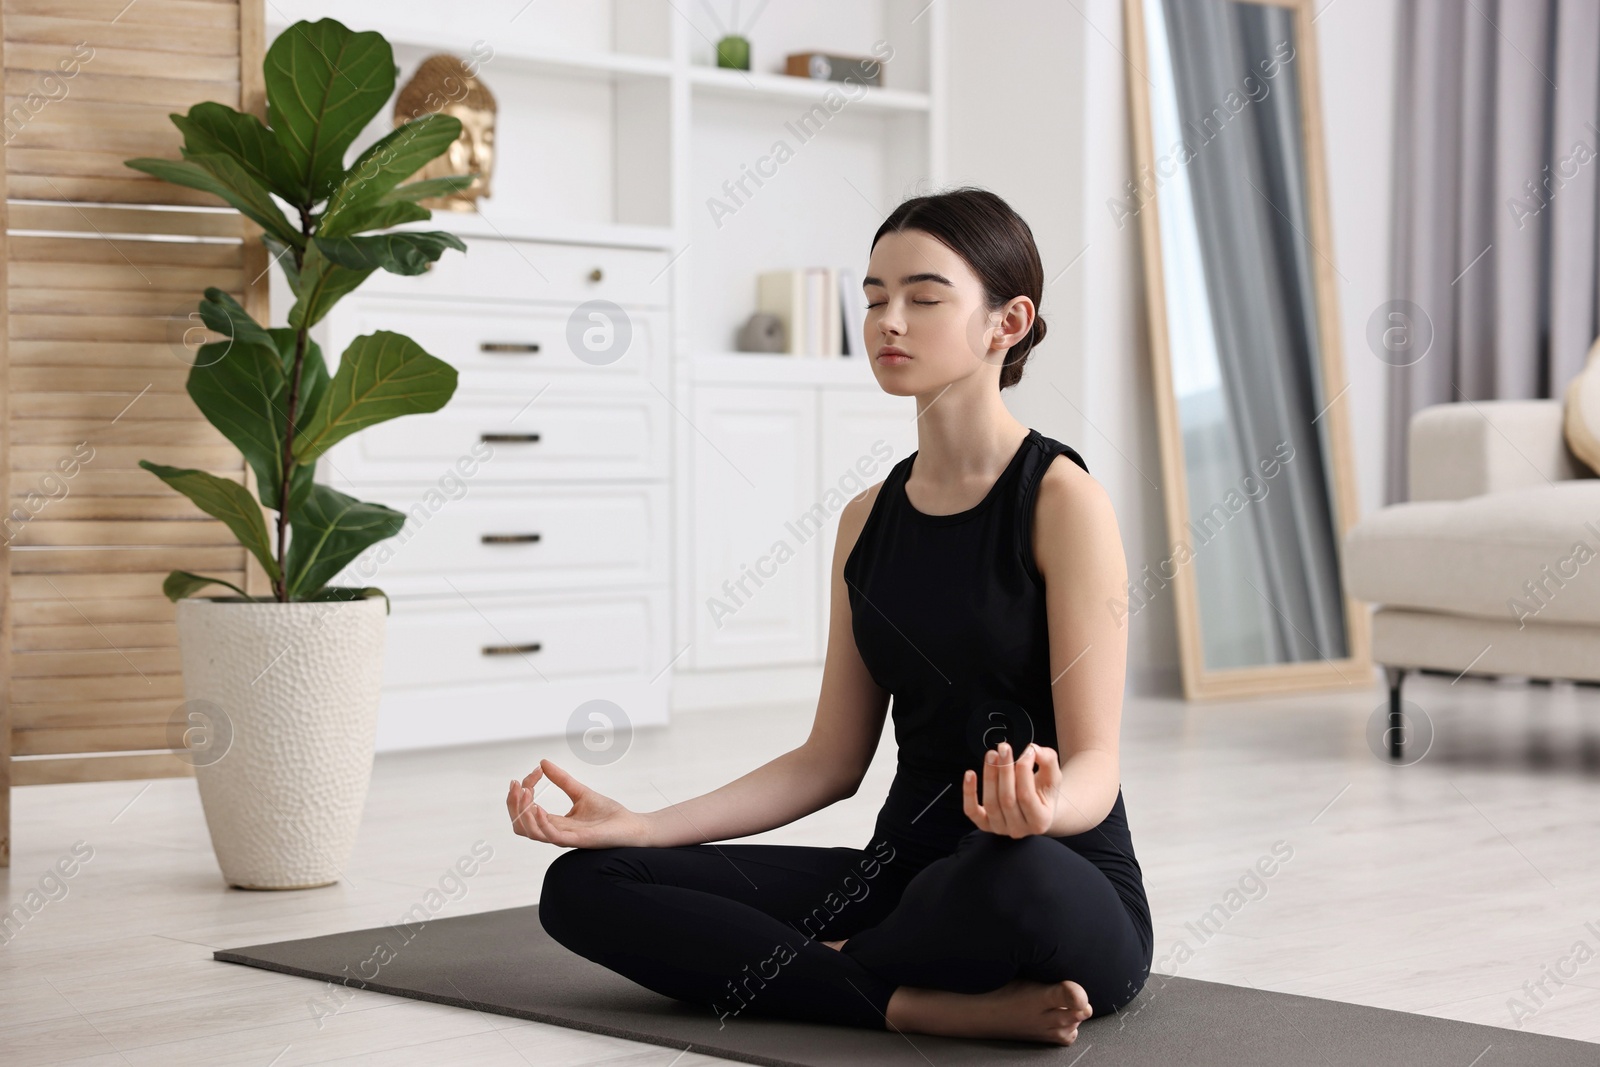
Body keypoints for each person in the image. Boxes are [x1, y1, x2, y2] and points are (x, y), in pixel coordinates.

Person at [508, 187, 1153, 1047]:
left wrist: (1044, 808)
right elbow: (829, 760)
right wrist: (645, 825)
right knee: (587, 884)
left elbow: (1098, 762)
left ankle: (826, 967)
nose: (889, 320)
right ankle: (903, 998)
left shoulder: (1062, 501)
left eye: (923, 298)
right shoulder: (866, 517)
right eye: (875, 297)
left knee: (1013, 874)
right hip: (901, 880)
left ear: (1008, 321)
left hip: (1051, 875)